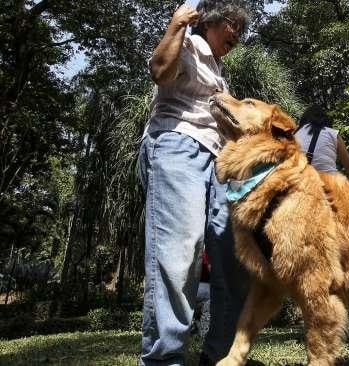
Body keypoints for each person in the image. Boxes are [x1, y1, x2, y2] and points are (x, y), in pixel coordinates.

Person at [137, 2, 250, 365]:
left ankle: (221, 356)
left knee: (234, 259)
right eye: (232, 24)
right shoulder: (187, 43)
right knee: (179, 257)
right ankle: (164, 359)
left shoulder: (219, 72)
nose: (237, 33)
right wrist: (176, 23)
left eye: (241, 29)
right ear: (211, 21)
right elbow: (159, 70)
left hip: (219, 163)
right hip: (176, 145)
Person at [294, 104, 349, 345]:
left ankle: (316, 328)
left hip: (304, 199)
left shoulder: (294, 136)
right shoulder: (332, 134)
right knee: (343, 261)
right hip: (333, 197)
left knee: (310, 265)